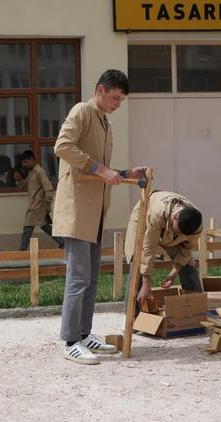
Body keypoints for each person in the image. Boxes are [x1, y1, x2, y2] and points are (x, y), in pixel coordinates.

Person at [52, 69, 146, 365]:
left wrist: (124, 174)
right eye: (115, 98)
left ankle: (83, 333)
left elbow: (100, 169)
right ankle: (70, 341)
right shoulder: (82, 111)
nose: (118, 104)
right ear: (100, 90)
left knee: (91, 279)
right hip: (78, 210)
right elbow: (62, 147)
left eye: (121, 100)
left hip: (96, 212)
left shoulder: (104, 122)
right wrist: (100, 169)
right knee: (78, 277)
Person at [124, 191, 204, 307]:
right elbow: (148, 248)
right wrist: (146, 283)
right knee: (137, 260)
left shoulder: (196, 226)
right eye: (178, 232)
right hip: (146, 212)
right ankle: (133, 313)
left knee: (188, 264)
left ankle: (196, 308)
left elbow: (185, 250)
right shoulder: (156, 213)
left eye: (182, 234)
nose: (179, 235)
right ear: (175, 217)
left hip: (168, 223)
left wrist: (173, 273)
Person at [15, 150, 64, 250]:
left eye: (25, 162)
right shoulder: (32, 172)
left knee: (28, 227)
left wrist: (48, 203)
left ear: (32, 160)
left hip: (38, 205)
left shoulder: (39, 171)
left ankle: (22, 249)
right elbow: (24, 186)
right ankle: (62, 242)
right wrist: (19, 179)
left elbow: (48, 187)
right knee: (45, 226)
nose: (24, 165)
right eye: (23, 163)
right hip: (35, 205)